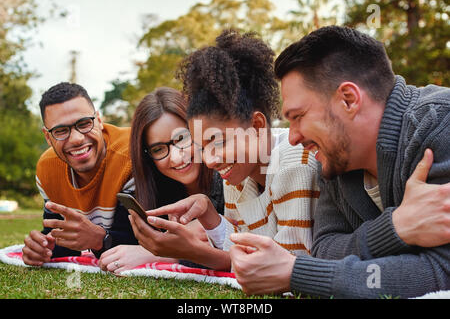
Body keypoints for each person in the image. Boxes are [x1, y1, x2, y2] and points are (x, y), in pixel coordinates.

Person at [228, 25, 450, 298]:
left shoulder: (440, 126)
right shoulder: (334, 158)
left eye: (298, 116)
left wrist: (297, 274)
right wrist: (396, 228)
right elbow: (325, 249)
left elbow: (441, 273)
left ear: (348, 100)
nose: (293, 137)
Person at [145, 29, 320, 259]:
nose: (209, 160)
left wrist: (199, 254)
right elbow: (239, 244)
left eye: (218, 141)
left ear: (257, 125)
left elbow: (289, 269)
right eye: (202, 146)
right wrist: (210, 216)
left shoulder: (292, 163)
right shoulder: (238, 172)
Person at [101, 87, 229, 273]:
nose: (177, 158)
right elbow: (120, 249)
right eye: (159, 149)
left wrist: (163, 252)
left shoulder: (230, 177)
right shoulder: (149, 189)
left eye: (182, 138)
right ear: (147, 156)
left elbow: (244, 256)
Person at [22, 82, 138, 266]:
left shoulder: (131, 156)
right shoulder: (47, 168)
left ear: (99, 121)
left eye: (84, 124)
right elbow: (62, 233)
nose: (76, 139)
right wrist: (44, 247)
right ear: (48, 137)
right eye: (60, 131)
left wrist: (100, 239)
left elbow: (144, 240)